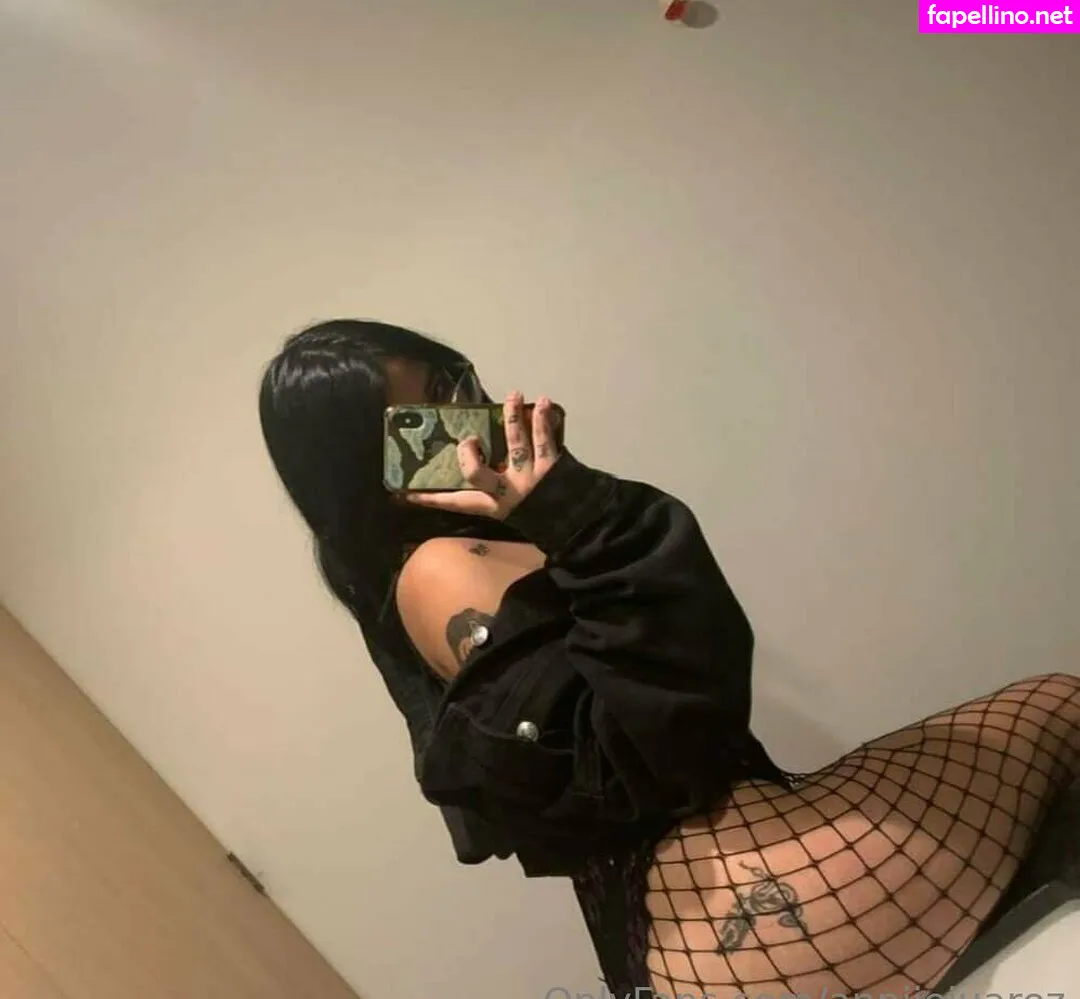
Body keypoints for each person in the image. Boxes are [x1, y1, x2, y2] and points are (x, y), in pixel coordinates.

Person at [259, 319, 1080, 999]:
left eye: (457, 380)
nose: (468, 414)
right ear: (368, 472)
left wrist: (572, 518)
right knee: (1059, 705)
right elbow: (661, 741)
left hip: (729, 926)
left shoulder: (496, 539)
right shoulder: (441, 569)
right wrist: (583, 517)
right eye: (426, 413)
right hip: (750, 913)